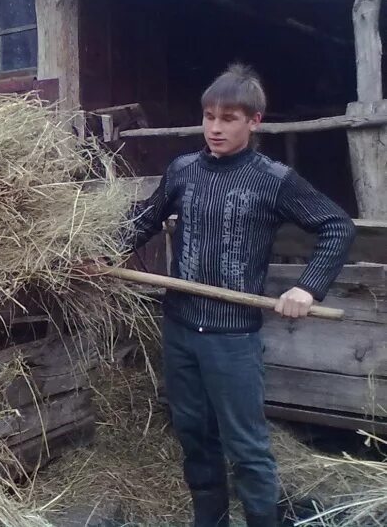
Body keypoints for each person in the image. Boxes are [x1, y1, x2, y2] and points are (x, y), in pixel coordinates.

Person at [81, 63, 356, 527]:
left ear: (254, 121)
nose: (214, 128)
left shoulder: (274, 179)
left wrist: (307, 288)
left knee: (246, 445)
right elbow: (144, 221)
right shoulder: (183, 170)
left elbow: (337, 226)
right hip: (181, 330)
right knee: (194, 436)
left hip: (232, 339)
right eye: (209, 117)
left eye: (228, 118)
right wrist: (94, 252)